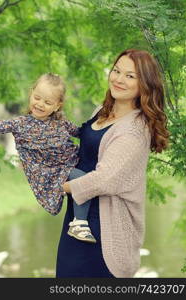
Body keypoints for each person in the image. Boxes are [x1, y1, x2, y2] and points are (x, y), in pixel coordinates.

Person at [58, 49, 169, 277]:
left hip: (105, 232)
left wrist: (55, 188)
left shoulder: (134, 130)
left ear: (145, 84)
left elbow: (103, 180)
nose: (118, 79)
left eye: (130, 76)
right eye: (117, 71)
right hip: (77, 219)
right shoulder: (102, 111)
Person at [0, 74, 96, 242]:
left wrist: (100, 126)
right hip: (47, 174)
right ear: (31, 93)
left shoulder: (61, 122)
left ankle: (80, 212)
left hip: (69, 163)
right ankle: (79, 223)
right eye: (37, 98)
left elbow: (82, 133)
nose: (40, 104)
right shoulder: (21, 124)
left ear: (57, 105)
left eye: (47, 102)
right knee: (83, 180)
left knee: (88, 177)